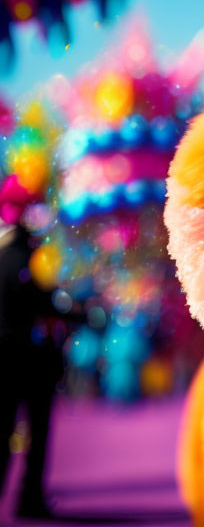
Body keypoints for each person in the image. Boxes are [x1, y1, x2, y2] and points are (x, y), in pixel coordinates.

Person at [0, 222, 66, 518]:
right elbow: (47, 306)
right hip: (31, 358)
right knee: (36, 432)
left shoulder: (2, 258)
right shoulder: (32, 259)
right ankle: (30, 498)